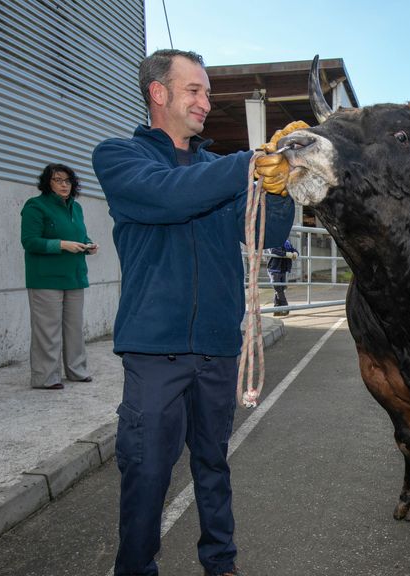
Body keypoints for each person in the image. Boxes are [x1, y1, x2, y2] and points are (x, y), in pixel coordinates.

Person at [92, 48, 293, 576]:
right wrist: (245, 163)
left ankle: (220, 564)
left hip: (218, 346)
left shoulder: (215, 169)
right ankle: (136, 568)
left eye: (207, 92)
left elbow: (267, 233)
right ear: (158, 93)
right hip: (155, 350)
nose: (206, 102)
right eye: (195, 91)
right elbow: (167, 197)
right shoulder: (119, 157)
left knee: (212, 465)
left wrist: (281, 187)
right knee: (148, 469)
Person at [20, 163, 96, 390]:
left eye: (67, 181)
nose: (64, 185)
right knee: (48, 329)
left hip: (74, 276)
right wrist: (61, 245)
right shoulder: (35, 206)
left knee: (74, 328)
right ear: (47, 183)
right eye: (58, 180)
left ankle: (77, 371)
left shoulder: (77, 207)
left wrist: (88, 244)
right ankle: (46, 377)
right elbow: (30, 241)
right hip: (45, 278)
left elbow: (79, 234)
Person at [267, 236, 299, 316]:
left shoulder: (286, 242)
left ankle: (277, 309)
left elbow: (293, 249)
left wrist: (295, 253)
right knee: (278, 288)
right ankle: (285, 306)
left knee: (281, 288)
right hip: (274, 269)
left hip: (283, 269)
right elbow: (273, 251)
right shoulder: (272, 240)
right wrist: (286, 254)